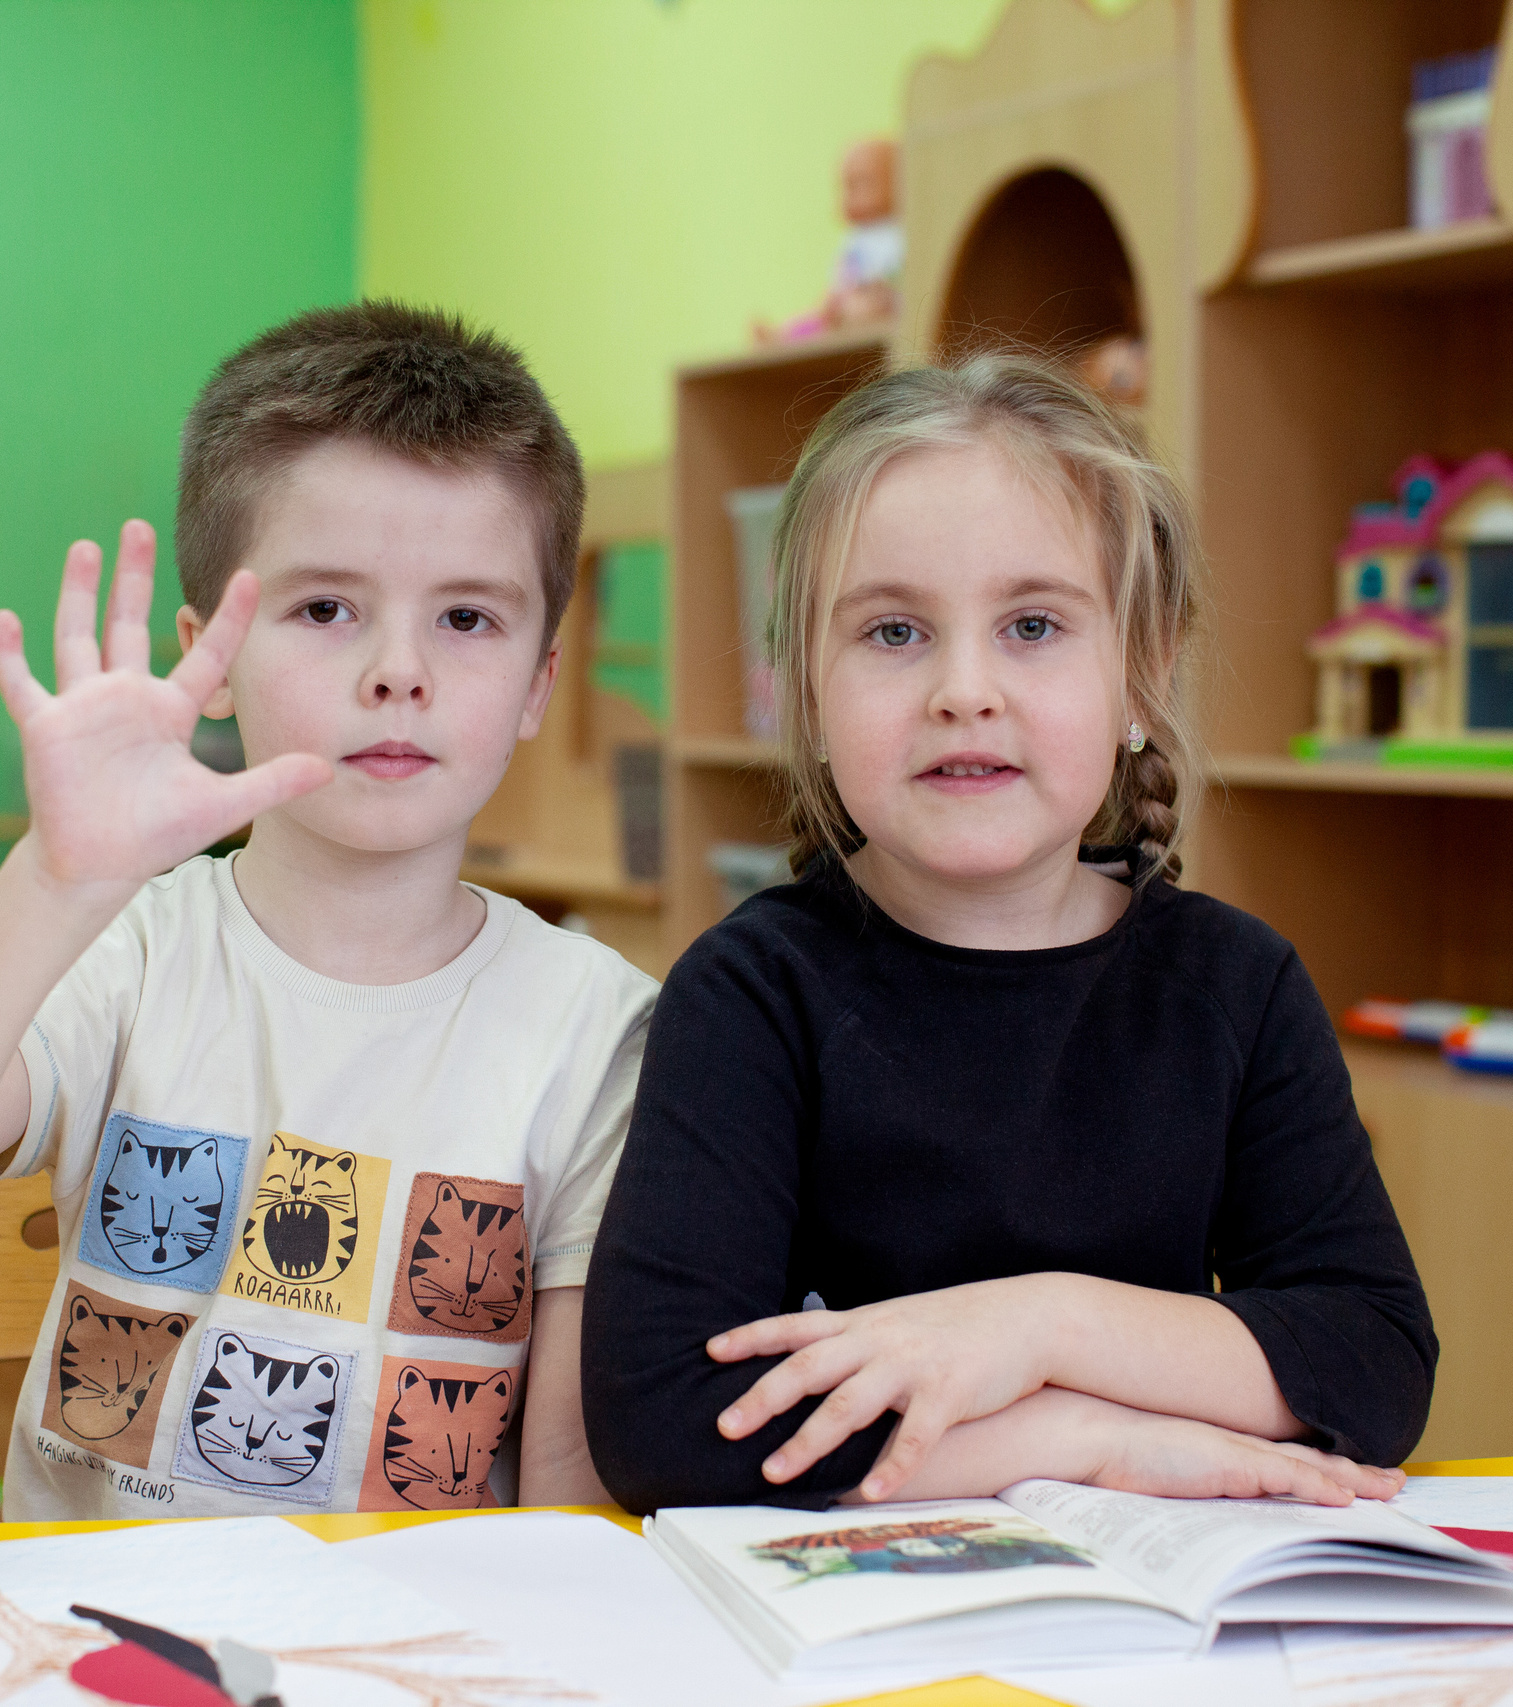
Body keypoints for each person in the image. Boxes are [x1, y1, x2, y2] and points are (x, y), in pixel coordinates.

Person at [0, 302, 653, 1520]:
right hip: (88, 1648)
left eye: (467, 617)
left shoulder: (602, 1032)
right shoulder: (128, 948)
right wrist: (55, 878)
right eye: (326, 610)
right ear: (208, 656)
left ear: (538, 683)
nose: (397, 671)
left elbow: (567, 1500)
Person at [580, 351, 1434, 1515]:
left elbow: (1372, 1360)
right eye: (891, 634)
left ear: (1142, 678)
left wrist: (1036, 1324)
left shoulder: (1236, 986)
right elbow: (665, 1422)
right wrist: (1080, 1439)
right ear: (801, 693)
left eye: (1032, 625)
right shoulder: (750, 992)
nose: (962, 689)